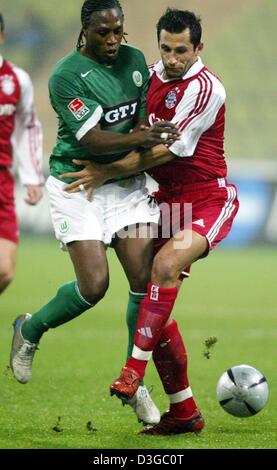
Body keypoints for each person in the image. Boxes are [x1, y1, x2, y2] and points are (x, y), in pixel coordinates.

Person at [62, 9, 239, 435]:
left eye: (182, 50)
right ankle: (184, 412)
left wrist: (105, 171)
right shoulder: (148, 75)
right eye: (166, 48)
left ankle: (132, 368)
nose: (173, 58)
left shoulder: (206, 88)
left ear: (199, 47)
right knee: (149, 296)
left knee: (163, 268)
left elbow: (165, 150)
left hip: (205, 199)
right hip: (160, 200)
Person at [9, 0, 179, 426]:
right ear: (85, 30)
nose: (112, 40)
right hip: (77, 182)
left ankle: (133, 381)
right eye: (103, 32)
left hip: (122, 186)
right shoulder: (66, 75)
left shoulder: (136, 60)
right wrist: (143, 136)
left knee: (145, 280)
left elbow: (137, 118)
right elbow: (93, 141)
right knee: (94, 286)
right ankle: (30, 330)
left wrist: (148, 145)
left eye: (117, 30)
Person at [0, 12, 43, 295]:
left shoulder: (17, 80)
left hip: (2, 179)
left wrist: (32, 176)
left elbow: (27, 128)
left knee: (4, 271)